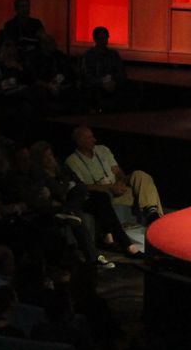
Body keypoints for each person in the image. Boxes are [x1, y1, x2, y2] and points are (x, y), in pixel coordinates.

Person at [64, 125, 161, 255]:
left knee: (140, 175)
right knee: (101, 195)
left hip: (118, 189)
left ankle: (152, 214)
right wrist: (110, 187)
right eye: (89, 138)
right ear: (79, 141)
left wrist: (120, 182)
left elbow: (118, 171)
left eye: (92, 136)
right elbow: (83, 187)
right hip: (103, 195)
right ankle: (115, 237)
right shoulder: (72, 161)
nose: (94, 140)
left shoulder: (102, 150)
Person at [80, 25, 127, 111]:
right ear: (95, 39)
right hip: (96, 87)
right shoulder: (89, 56)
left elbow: (121, 72)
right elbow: (87, 76)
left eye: (105, 38)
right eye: (100, 38)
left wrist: (114, 81)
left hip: (113, 84)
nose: (103, 41)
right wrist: (102, 83)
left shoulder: (113, 54)